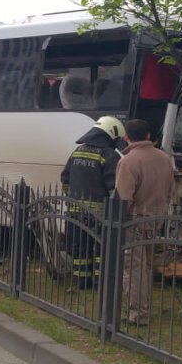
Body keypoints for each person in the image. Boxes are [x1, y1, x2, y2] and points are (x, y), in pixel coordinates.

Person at [115, 119, 175, 326]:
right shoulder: (165, 158)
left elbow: (124, 198)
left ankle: (138, 314)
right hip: (157, 218)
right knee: (146, 266)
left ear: (126, 137)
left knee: (134, 269)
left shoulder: (128, 162)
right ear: (149, 136)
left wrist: (118, 224)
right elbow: (170, 191)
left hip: (135, 220)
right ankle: (143, 308)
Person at [60, 116, 125, 288]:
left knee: (80, 249)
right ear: (111, 134)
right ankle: (99, 283)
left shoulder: (78, 151)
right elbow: (114, 187)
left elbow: (65, 179)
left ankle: (80, 282)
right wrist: (116, 210)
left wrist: (71, 199)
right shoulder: (108, 155)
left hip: (75, 211)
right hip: (100, 214)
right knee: (100, 250)